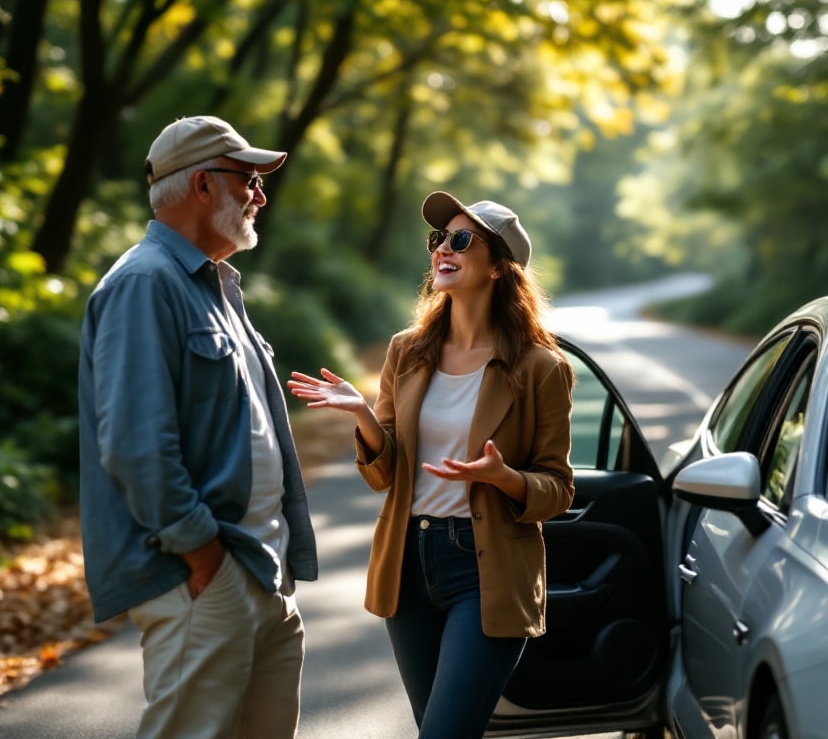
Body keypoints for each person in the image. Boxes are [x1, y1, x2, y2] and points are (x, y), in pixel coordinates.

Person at [287, 191, 575, 738]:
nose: (444, 248)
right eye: (439, 239)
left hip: (484, 571)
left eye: (461, 240)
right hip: (409, 564)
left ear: (497, 269)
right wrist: (363, 416)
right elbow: (384, 475)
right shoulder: (407, 351)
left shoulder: (541, 368)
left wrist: (502, 478)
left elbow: (558, 488)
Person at [77, 115, 318, 739]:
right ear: (204, 184)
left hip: (261, 569)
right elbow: (135, 445)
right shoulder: (143, 284)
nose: (259, 195)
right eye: (249, 180)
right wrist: (202, 555)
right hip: (208, 575)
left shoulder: (215, 285)